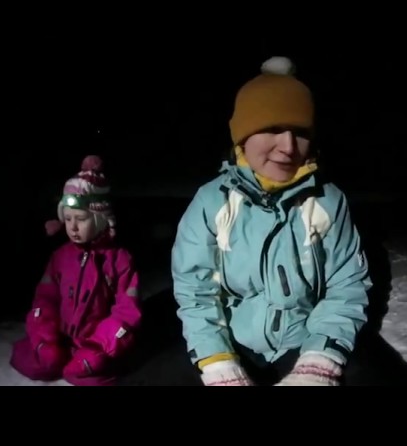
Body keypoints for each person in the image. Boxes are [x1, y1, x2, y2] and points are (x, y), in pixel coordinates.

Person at [171, 56, 373, 386]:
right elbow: (195, 293)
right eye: (273, 129)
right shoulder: (211, 202)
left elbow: (346, 288)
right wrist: (219, 365)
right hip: (231, 342)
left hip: (304, 341)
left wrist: (317, 362)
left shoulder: (328, 201)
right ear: (243, 137)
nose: (288, 146)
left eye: (300, 132)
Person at [10, 155, 143, 386]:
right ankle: (49, 352)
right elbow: (45, 299)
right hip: (60, 340)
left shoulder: (119, 260)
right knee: (36, 361)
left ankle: (92, 361)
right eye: (67, 218)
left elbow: (126, 313)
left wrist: (99, 348)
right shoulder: (61, 256)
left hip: (95, 344)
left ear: (101, 219)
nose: (72, 227)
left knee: (89, 376)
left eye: (80, 219)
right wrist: (45, 339)